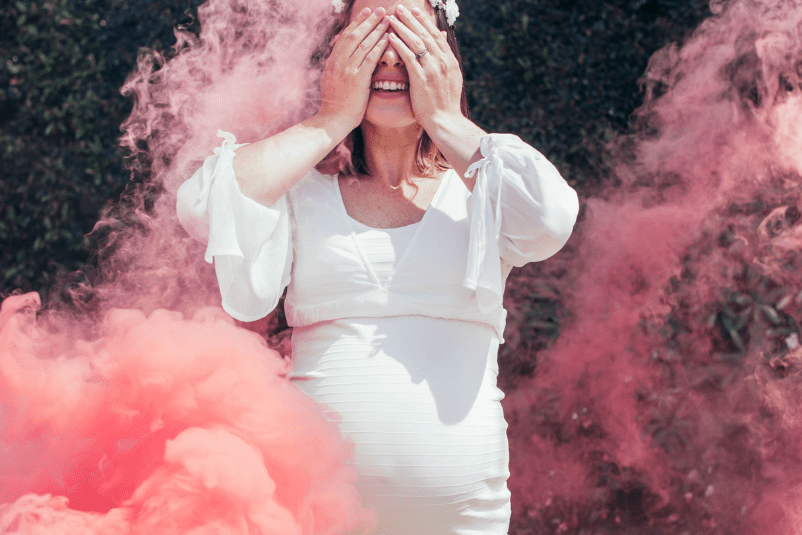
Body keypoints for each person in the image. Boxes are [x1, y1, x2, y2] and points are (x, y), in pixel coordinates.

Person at [176, 0, 579, 532]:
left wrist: (445, 118)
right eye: (370, 33)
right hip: (317, 512)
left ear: (444, 55)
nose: (390, 56)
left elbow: (550, 220)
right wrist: (330, 118)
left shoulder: (484, 186)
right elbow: (205, 206)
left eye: (410, 34)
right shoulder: (300, 189)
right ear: (340, 56)